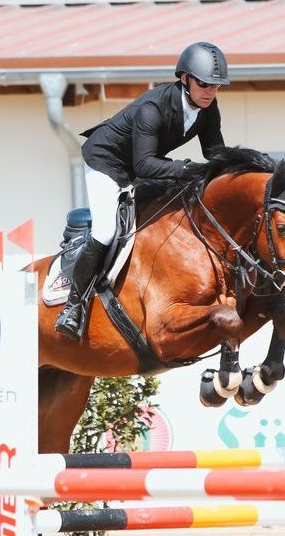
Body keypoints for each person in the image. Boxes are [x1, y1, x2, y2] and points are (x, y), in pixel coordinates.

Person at [54, 41, 230, 340]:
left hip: (141, 166)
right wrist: (187, 170)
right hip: (106, 163)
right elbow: (147, 165)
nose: (210, 92)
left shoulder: (208, 108)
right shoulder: (153, 107)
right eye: (204, 84)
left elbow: (216, 154)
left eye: (216, 86)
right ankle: (73, 306)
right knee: (106, 232)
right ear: (185, 79)